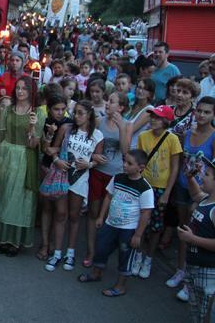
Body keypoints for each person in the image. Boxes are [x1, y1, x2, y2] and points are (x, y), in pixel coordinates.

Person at [77, 149, 153, 297]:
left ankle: (120, 285)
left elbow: (146, 213)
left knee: (125, 256)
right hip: (110, 223)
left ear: (141, 167)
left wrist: (138, 235)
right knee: (101, 248)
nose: (124, 165)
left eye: (129, 163)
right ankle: (96, 273)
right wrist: (101, 217)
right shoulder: (117, 178)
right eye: (124, 161)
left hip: (128, 229)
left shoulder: (145, 189)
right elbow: (108, 197)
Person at [0, 76, 45, 256]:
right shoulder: (8, 110)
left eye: (24, 88)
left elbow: (34, 144)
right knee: (3, 197)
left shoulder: (38, 113)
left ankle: (14, 242)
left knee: (18, 200)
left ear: (31, 91)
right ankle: (1, 238)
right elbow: (1, 139)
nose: (20, 91)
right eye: (18, 88)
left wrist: (33, 128)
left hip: (24, 159)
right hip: (5, 155)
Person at [44, 100, 104, 272]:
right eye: (75, 112)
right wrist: (57, 161)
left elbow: (97, 159)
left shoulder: (98, 135)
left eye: (80, 113)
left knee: (74, 216)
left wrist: (90, 165)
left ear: (89, 115)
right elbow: (51, 149)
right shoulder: (66, 128)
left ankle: (70, 252)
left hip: (80, 179)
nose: (76, 116)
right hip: (62, 176)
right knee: (60, 214)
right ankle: (56, 252)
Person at [167, 97, 215, 300]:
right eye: (199, 111)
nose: (202, 115)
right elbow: (178, 160)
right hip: (182, 186)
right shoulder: (187, 133)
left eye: (207, 112)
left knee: (194, 230)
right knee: (183, 227)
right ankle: (181, 271)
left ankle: (191, 281)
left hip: (201, 192)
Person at [132, 105, 182, 279]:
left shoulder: (172, 139)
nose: (153, 119)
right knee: (140, 222)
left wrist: (167, 192)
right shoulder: (143, 136)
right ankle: (137, 255)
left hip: (161, 188)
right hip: (144, 186)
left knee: (156, 226)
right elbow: (139, 161)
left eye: (158, 117)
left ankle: (148, 258)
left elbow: (175, 167)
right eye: (152, 116)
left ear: (166, 121)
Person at [84, 92, 130, 268]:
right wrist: (95, 155)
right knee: (92, 212)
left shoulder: (127, 124)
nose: (107, 104)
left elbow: (125, 152)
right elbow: (90, 144)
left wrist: (121, 129)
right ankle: (90, 250)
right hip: (97, 172)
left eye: (111, 101)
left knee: (107, 216)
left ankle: (102, 252)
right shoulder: (99, 121)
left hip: (115, 176)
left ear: (121, 107)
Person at [179, 154, 215, 322]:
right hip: (194, 265)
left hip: (207, 270)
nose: (203, 177)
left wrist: (192, 239)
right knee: (196, 311)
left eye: (207, 175)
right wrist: (189, 178)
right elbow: (196, 195)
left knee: (205, 313)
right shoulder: (207, 199)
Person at [37, 94, 72, 261]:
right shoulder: (45, 123)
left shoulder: (69, 124)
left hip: (62, 171)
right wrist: (50, 135)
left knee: (59, 211)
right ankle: (44, 243)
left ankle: (52, 242)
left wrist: (55, 152)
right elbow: (45, 149)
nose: (60, 112)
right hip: (46, 167)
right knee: (46, 208)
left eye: (63, 109)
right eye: (56, 109)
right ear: (49, 110)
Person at [125, 78, 156, 149]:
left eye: (145, 89)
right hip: (123, 144)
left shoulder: (149, 110)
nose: (140, 91)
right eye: (139, 87)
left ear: (150, 94)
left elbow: (131, 130)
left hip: (134, 149)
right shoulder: (132, 105)